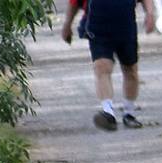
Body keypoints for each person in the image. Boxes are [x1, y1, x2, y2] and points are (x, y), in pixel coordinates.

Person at [61, 0, 156, 130]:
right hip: (97, 27)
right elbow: (74, 3)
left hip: (126, 27)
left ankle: (129, 113)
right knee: (102, 67)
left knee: (130, 69)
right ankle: (108, 113)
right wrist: (67, 24)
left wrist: (150, 14)